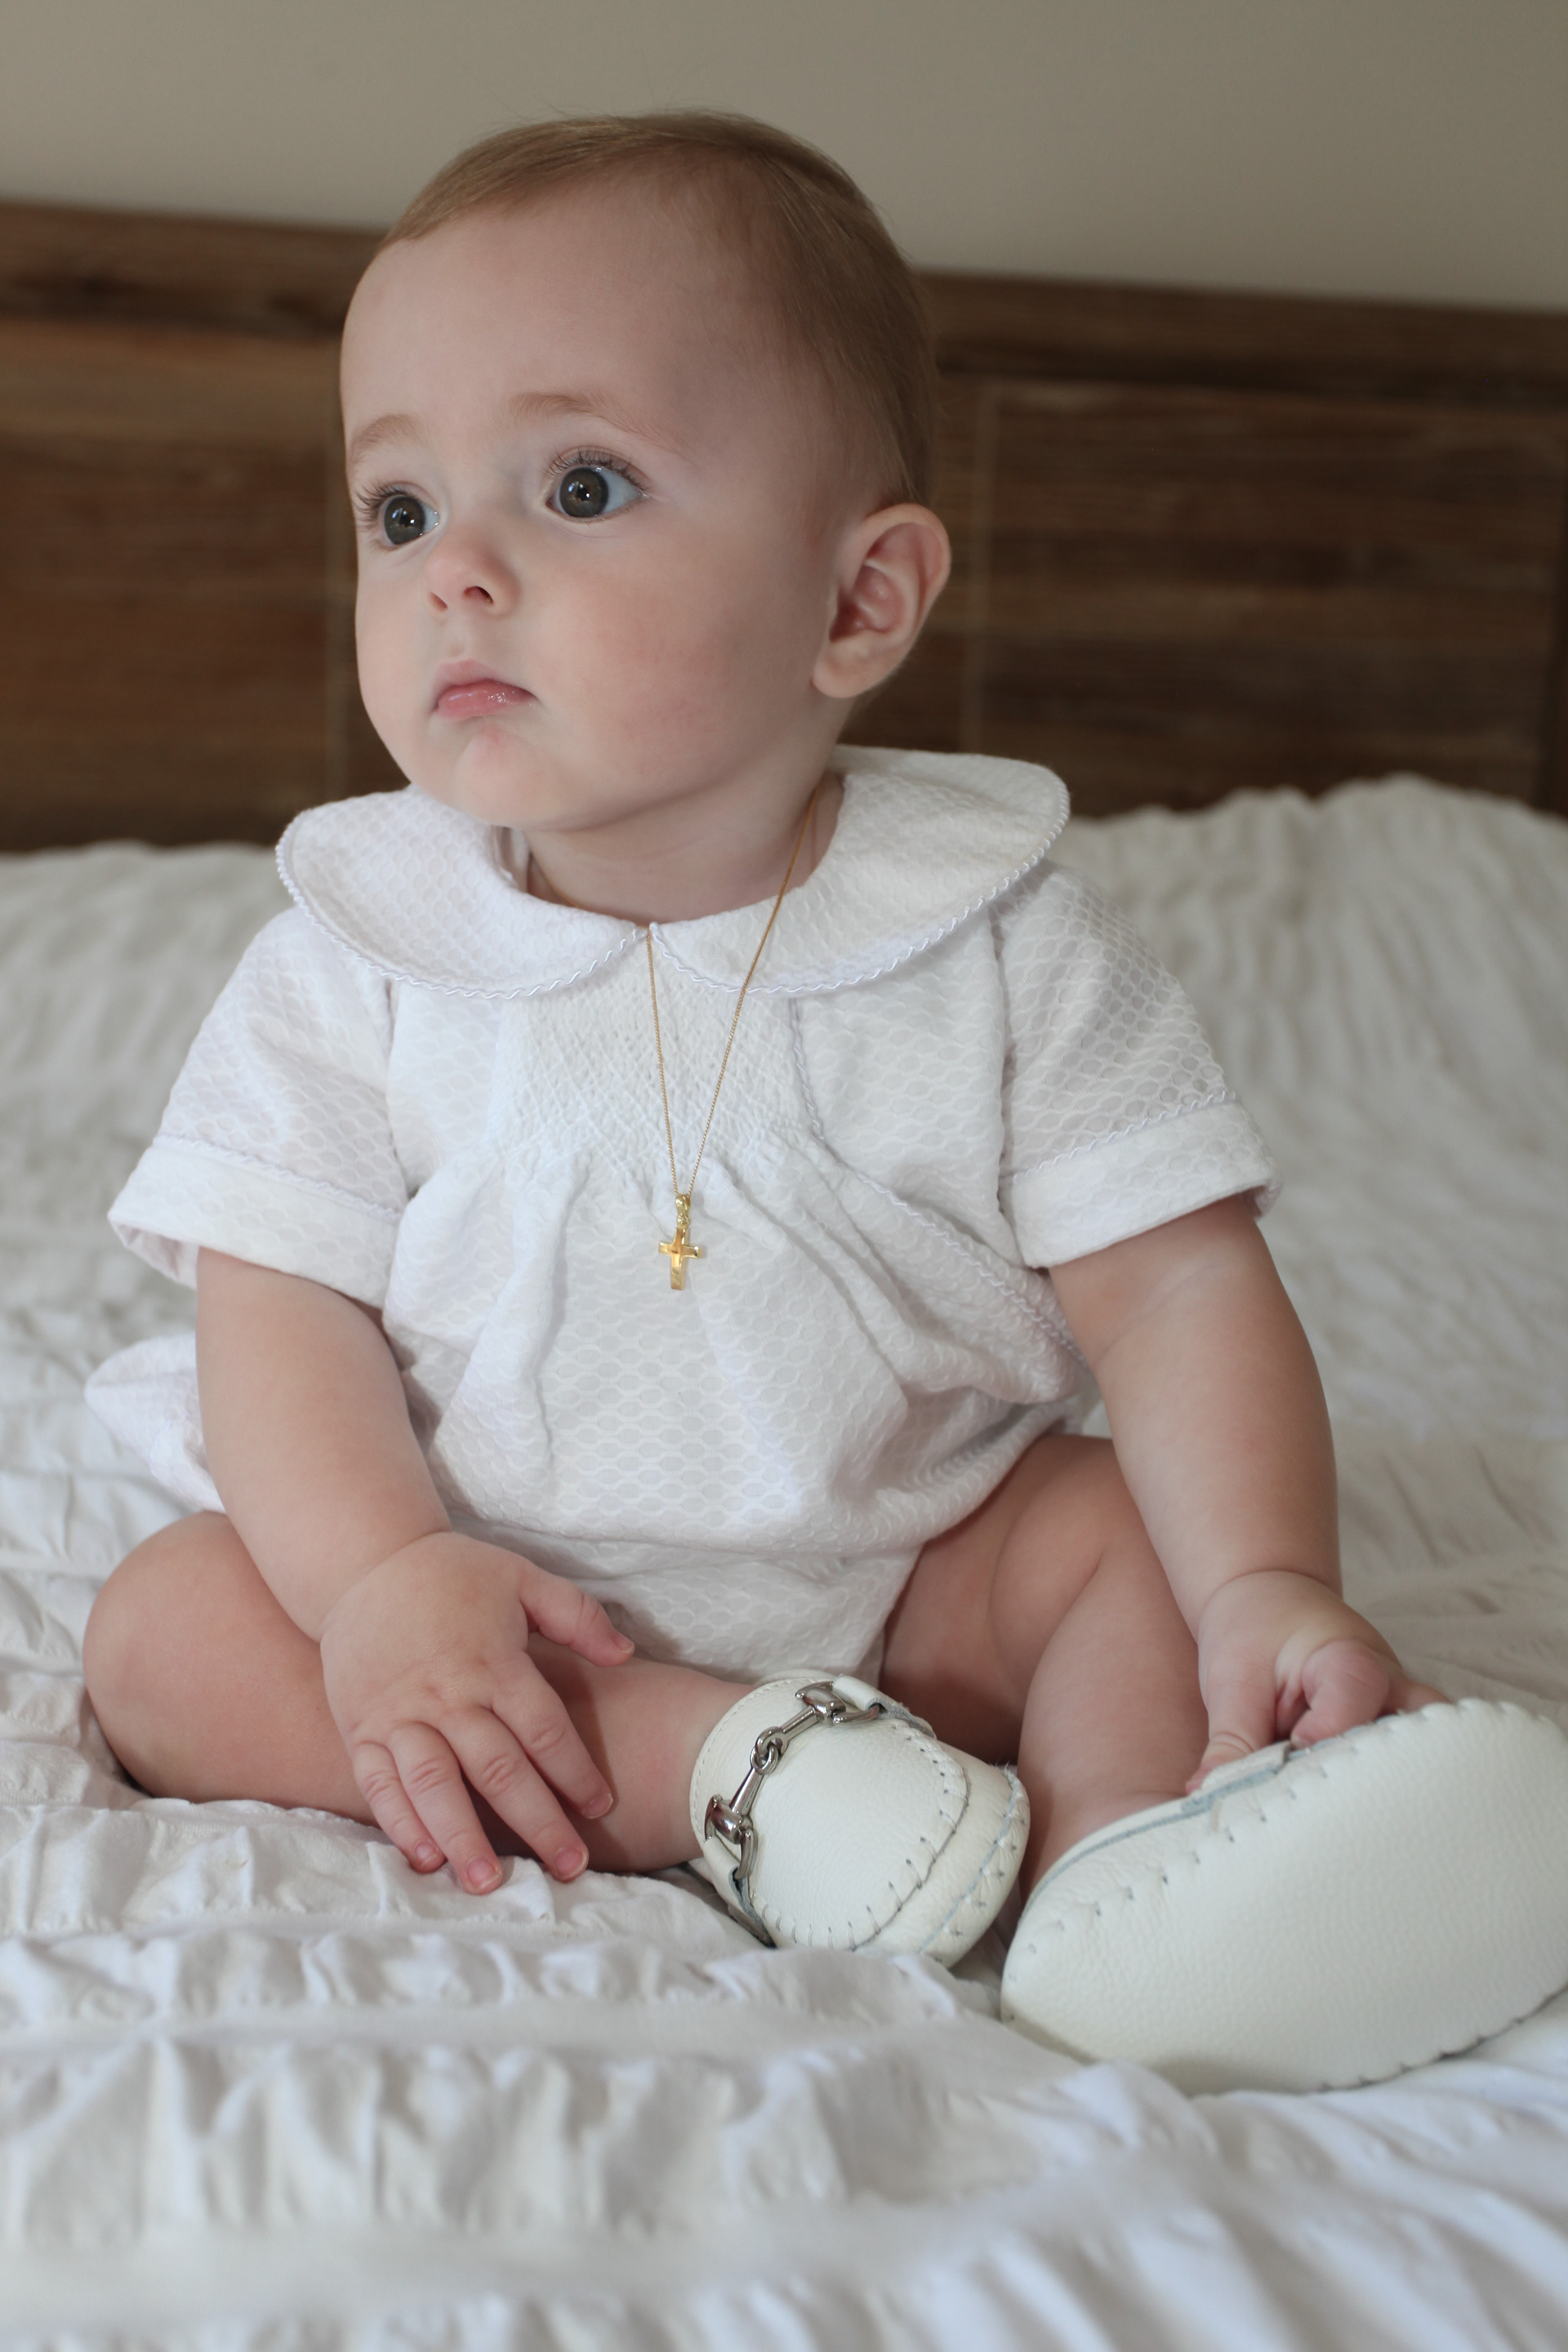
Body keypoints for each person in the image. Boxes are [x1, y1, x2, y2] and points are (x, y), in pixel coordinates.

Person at [79, 114, 1564, 2086]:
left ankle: (1123, 1865)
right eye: (400, 509)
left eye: (580, 484)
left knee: (1122, 1531)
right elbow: (277, 1312)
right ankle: (706, 1767)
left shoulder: (1000, 940)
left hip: (917, 1571)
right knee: (167, 1632)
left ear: (859, 600)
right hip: (494, 1591)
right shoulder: (355, 954)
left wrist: (1265, 1585)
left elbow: (1179, 1293)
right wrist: (380, 1584)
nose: (457, 577)